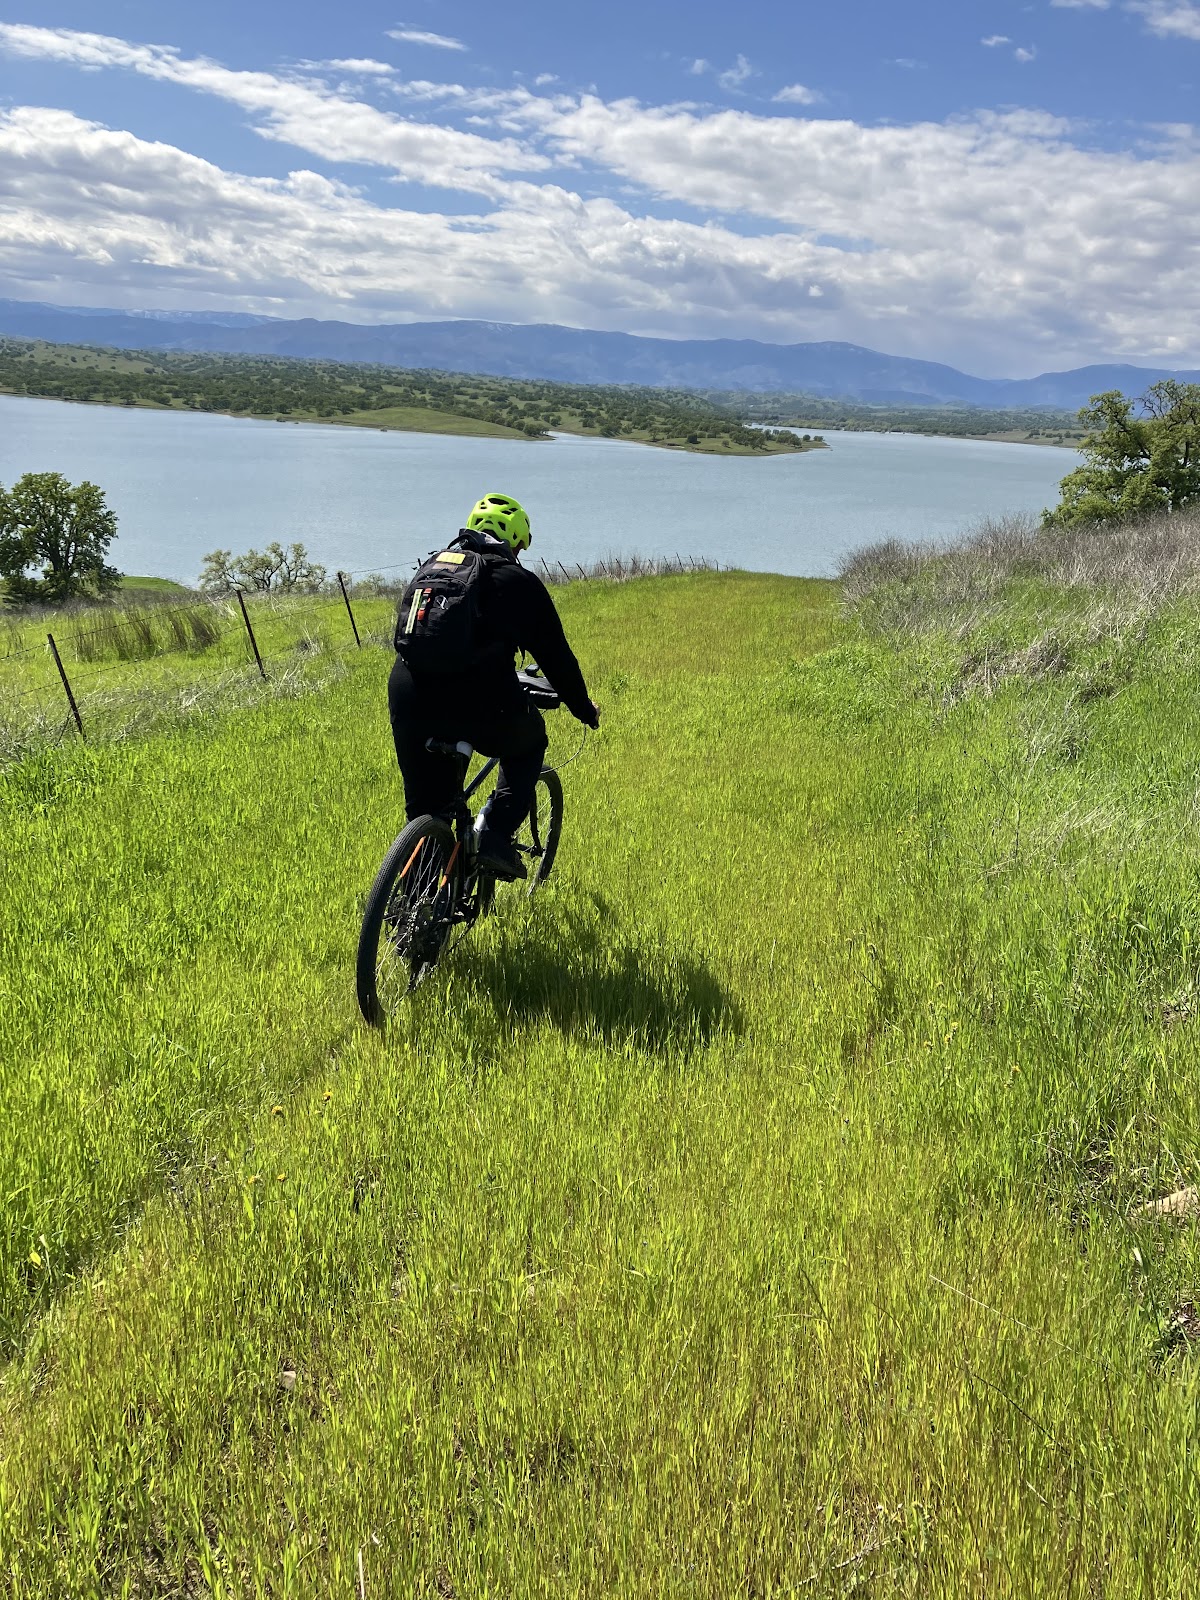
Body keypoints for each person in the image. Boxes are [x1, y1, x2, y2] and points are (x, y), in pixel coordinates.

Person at [388, 492, 599, 880]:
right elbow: (556, 658)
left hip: (408, 691)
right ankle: (496, 838)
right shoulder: (516, 580)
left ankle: (412, 924)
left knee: (425, 809)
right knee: (531, 742)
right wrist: (584, 708)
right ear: (514, 541)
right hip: (477, 698)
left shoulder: (435, 565)